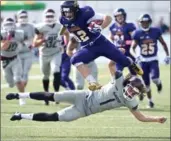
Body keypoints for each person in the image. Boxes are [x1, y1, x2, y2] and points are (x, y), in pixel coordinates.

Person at [6, 62, 167, 124]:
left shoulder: (130, 101)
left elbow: (141, 117)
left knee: (54, 117)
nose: (132, 92)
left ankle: (21, 116)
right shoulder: (118, 82)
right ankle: (19, 95)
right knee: (52, 96)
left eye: (135, 91)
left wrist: (157, 119)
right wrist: (120, 53)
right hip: (82, 96)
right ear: (127, 84)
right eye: (132, 88)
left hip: (83, 111)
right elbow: (111, 65)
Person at [59, 1, 143, 91]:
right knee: (75, 59)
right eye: (66, 12)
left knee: (124, 62)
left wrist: (100, 27)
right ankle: (92, 82)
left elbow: (108, 18)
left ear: (76, 10)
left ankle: (131, 63)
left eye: (70, 12)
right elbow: (65, 25)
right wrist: (61, 33)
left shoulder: (86, 13)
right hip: (88, 48)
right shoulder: (63, 20)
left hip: (101, 43)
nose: (68, 14)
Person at [130, 14, 170, 108]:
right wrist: (136, 56)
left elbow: (163, 44)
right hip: (143, 61)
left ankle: (159, 83)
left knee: (155, 79)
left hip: (153, 59)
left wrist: (168, 55)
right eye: (143, 22)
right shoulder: (137, 33)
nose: (144, 24)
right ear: (140, 23)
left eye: (146, 22)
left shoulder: (155, 31)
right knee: (146, 84)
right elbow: (132, 48)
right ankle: (150, 101)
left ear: (150, 22)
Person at [33, 8, 69, 105]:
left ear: (55, 17)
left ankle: (56, 95)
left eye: (51, 16)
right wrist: (43, 39)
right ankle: (46, 95)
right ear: (44, 17)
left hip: (56, 52)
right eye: (47, 16)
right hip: (44, 54)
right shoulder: (41, 27)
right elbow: (34, 44)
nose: (49, 18)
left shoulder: (59, 26)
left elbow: (66, 34)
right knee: (45, 75)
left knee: (56, 70)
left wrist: (66, 44)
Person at [1, 18, 27, 106]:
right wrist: (9, 37)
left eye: (10, 25)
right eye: (7, 25)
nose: (9, 27)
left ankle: (22, 98)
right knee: (11, 84)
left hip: (15, 59)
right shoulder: (2, 34)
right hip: (4, 60)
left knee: (17, 79)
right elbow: (3, 47)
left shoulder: (19, 33)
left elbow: (27, 42)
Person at [109, 8, 136, 75]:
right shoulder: (112, 27)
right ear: (115, 17)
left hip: (129, 53)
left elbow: (134, 39)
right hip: (119, 53)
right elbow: (110, 38)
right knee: (118, 73)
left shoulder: (129, 26)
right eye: (118, 16)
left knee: (134, 74)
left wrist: (126, 43)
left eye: (121, 15)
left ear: (124, 16)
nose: (120, 17)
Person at [16, 10, 35, 91]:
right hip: (17, 54)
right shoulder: (14, 27)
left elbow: (35, 38)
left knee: (25, 73)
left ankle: (22, 94)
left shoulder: (31, 26)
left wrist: (31, 43)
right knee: (18, 74)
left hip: (28, 53)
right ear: (17, 18)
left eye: (25, 17)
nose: (23, 18)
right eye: (21, 17)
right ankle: (22, 93)